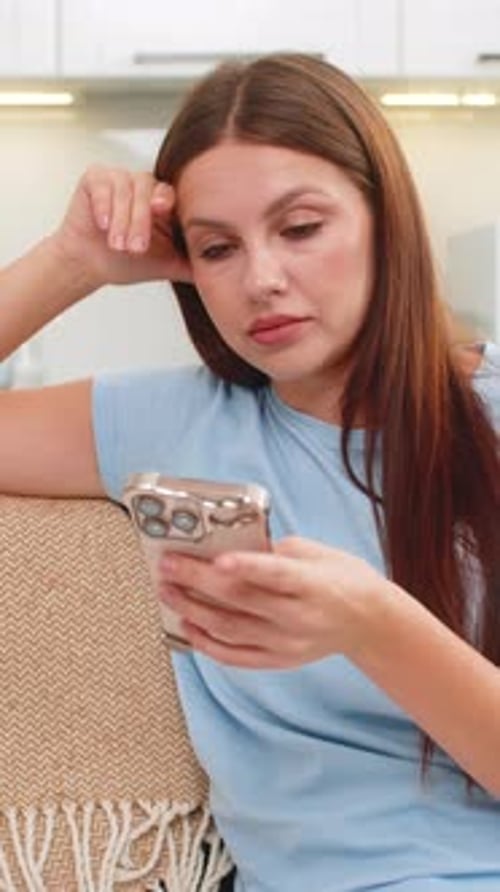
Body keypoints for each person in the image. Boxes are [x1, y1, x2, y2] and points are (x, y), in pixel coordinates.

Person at [1, 53, 499, 892]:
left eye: (301, 229)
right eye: (217, 247)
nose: (261, 280)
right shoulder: (172, 422)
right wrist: (72, 261)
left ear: (388, 222)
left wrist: (374, 627)